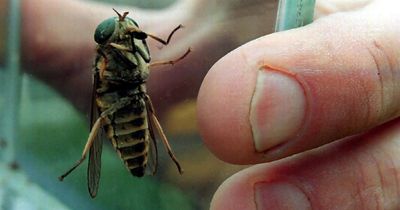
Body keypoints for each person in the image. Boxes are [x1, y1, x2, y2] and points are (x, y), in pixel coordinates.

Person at [22, 0, 400, 209]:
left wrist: (168, 52)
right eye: (115, 32)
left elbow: (149, 61)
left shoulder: (126, 45)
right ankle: (88, 158)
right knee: (110, 114)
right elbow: (131, 76)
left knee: (147, 110)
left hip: (139, 104)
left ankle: (169, 153)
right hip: (122, 110)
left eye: (127, 26)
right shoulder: (105, 60)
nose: (123, 30)